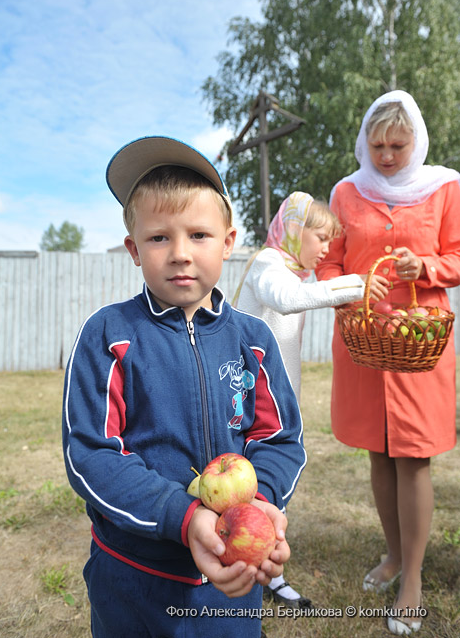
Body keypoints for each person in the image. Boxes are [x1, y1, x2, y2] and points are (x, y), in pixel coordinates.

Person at [62, 135, 306, 638]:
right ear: (133, 248)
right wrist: (183, 515)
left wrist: (262, 507)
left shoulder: (253, 341)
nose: (179, 254)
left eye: (198, 235)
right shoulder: (109, 336)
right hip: (132, 577)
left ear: (229, 242)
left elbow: (278, 440)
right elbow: (92, 454)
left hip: (229, 581)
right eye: (158, 238)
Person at [315, 90, 460, 635]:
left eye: (398, 145)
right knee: (378, 451)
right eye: (377, 144)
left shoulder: (446, 188)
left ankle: (414, 578)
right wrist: (355, 286)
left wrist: (421, 266)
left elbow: (458, 255)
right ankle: (394, 554)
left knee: (414, 455)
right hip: (363, 340)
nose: (387, 155)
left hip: (420, 344)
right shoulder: (345, 193)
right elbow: (326, 264)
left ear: (417, 141)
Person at [233, 191, 366, 608]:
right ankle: (234, 568)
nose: (327, 249)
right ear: (295, 230)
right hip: (251, 404)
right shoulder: (268, 265)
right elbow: (286, 300)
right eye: (321, 237)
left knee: (274, 487)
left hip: (277, 403)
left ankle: (267, 571)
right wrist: (355, 286)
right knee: (244, 485)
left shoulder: (294, 272)